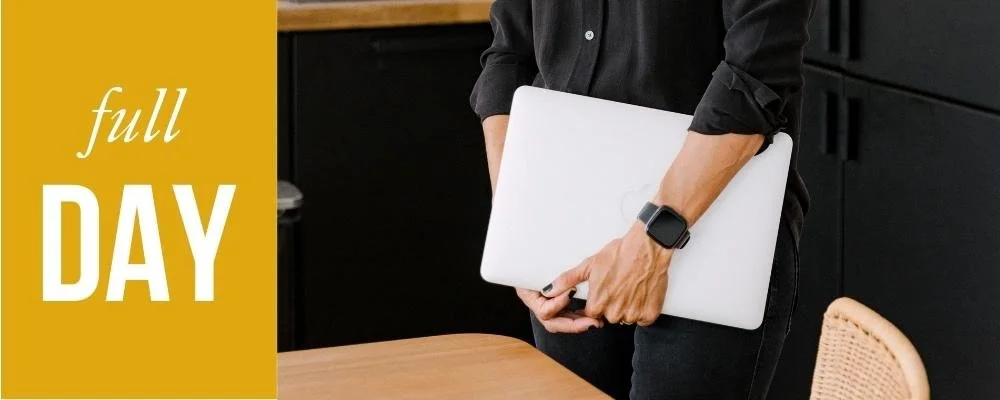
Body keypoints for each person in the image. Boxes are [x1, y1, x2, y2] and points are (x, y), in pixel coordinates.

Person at [469, 1, 814, 399]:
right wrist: (517, 228)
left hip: (712, 233)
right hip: (568, 233)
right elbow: (509, 56)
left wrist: (652, 241)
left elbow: (756, 73)